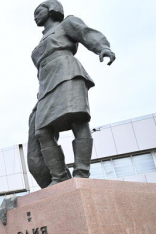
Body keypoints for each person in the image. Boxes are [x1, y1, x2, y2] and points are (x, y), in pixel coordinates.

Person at [29, 0, 116, 186]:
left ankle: (81, 173)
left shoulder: (67, 24)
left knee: (78, 119)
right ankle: (59, 177)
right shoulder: (41, 40)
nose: (35, 15)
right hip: (45, 84)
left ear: (52, 9)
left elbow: (86, 33)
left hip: (67, 72)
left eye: (38, 11)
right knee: (42, 131)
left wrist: (103, 48)